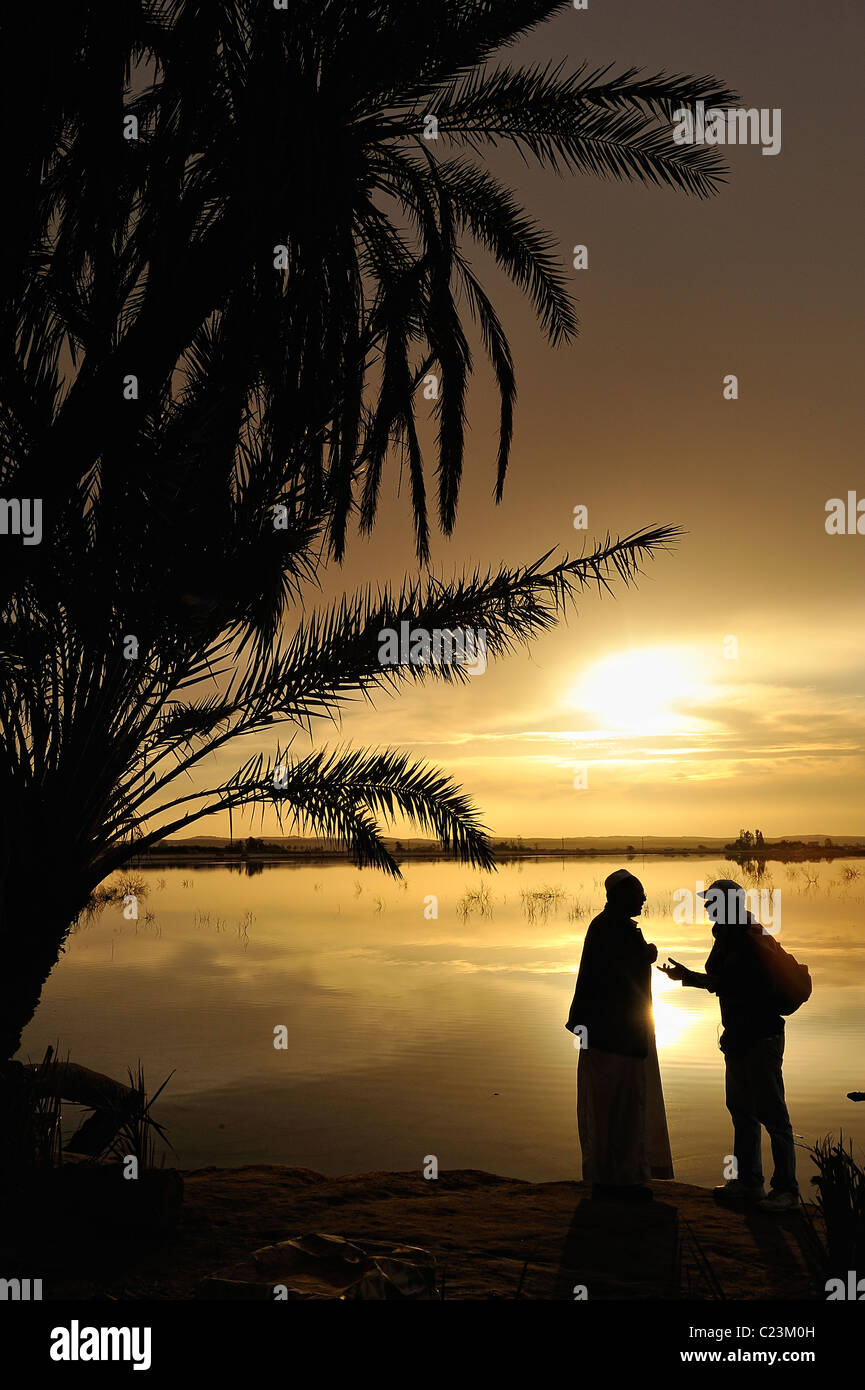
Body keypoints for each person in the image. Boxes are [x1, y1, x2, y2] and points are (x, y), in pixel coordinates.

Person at [659, 878, 798, 1213]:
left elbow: (741, 984)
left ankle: (787, 1192)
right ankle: (748, 1183)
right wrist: (688, 977)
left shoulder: (748, 937)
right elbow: (723, 982)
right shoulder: (726, 934)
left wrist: (695, 978)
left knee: (773, 1115)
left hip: (761, 1036)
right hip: (737, 1036)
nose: (706, 907)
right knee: (741, 1111)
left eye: (712, 901)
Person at [565, 868, 673, 1202]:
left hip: (613, 1036)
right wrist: (645, 956)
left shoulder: (610, 927)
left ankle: (619, 1178)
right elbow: (616, 980)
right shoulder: (613, 929)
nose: (643, 899)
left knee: (619, 1109)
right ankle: (617, 1182)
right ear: (621, 896)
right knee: (617, 1110)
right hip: (614, 1038)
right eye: (638, 893)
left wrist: (644, 955)